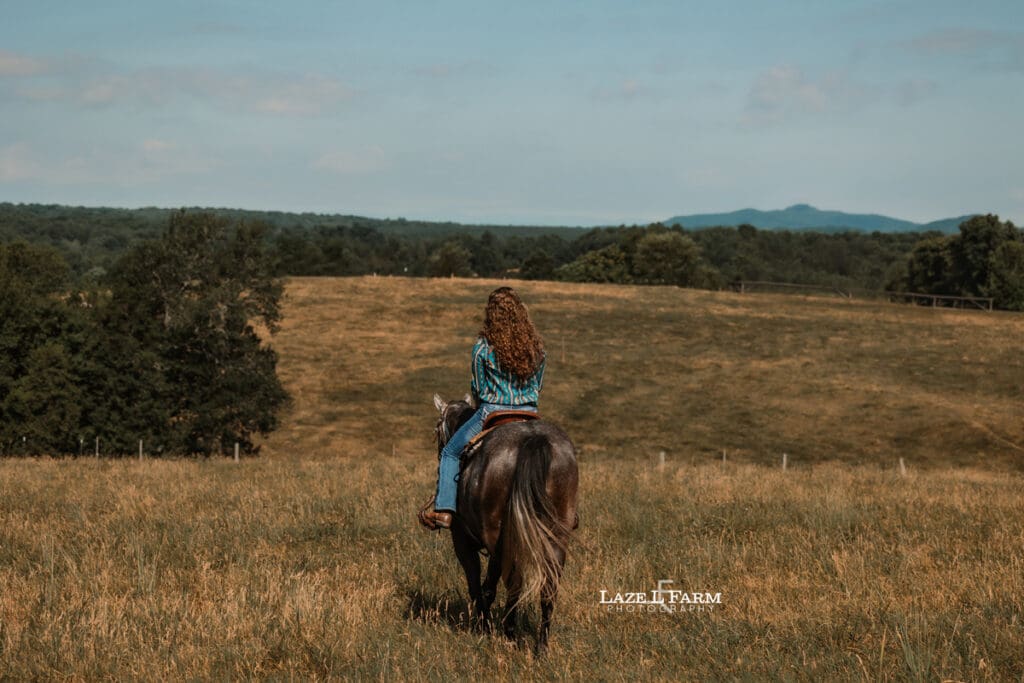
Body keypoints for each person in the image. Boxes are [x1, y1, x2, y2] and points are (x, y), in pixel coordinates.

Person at [418, 286, 546, 530]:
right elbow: (537, 387)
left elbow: (478, 390)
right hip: (530, 414)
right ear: (521, 313)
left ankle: (444, 510)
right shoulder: (536, 349)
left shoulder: (483, 348)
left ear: (491, 315)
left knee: (450, 453)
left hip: (493, 412)